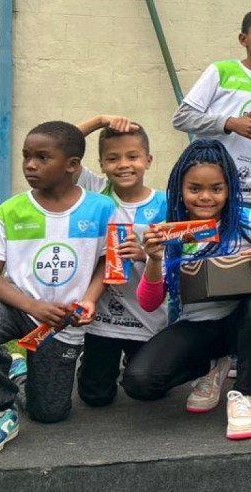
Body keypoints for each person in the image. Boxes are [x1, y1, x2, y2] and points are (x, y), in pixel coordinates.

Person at [121, 139, 251, 441]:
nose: (205, 197)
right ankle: (211, 365)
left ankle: (244, 394)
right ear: (180, 189)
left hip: (243, 322)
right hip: (197, 326)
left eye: (216, 188)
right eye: (195, 188)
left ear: (229, 190)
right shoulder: (171, 231)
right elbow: (149, 303)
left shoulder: (245, 221)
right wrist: (154, 260)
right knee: (139, 382)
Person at [0, 122, 115, 455]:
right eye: (26, 157)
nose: (30, 165)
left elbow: (109, 265)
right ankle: (2, 410)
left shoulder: (103, 208)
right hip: (17, 306)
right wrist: (33, 307)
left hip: (62, 322)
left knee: (49, 413)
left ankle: (17, 372)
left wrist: (89, 301)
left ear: (72, 165)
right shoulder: (10, 210)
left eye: (41, 157)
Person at [72, 120, 170, 408]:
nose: (123, 165)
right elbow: (64, 143)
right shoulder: (96, 191)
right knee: (95, 398)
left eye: (133, 157)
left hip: (147, 316)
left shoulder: (167, 203)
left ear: (148, 161)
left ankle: (139, 362)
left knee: (151, 392)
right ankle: (88, 364)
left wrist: (145, 255)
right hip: (102, 318)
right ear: (101, 164)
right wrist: (101, 120)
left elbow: (179, 258)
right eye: (112, 158)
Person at [172, 7, 251, 209]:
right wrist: (229, 123)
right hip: (208, 190)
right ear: (244, 39)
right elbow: (182, 118)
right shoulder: (222, 71)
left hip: (247, 194)